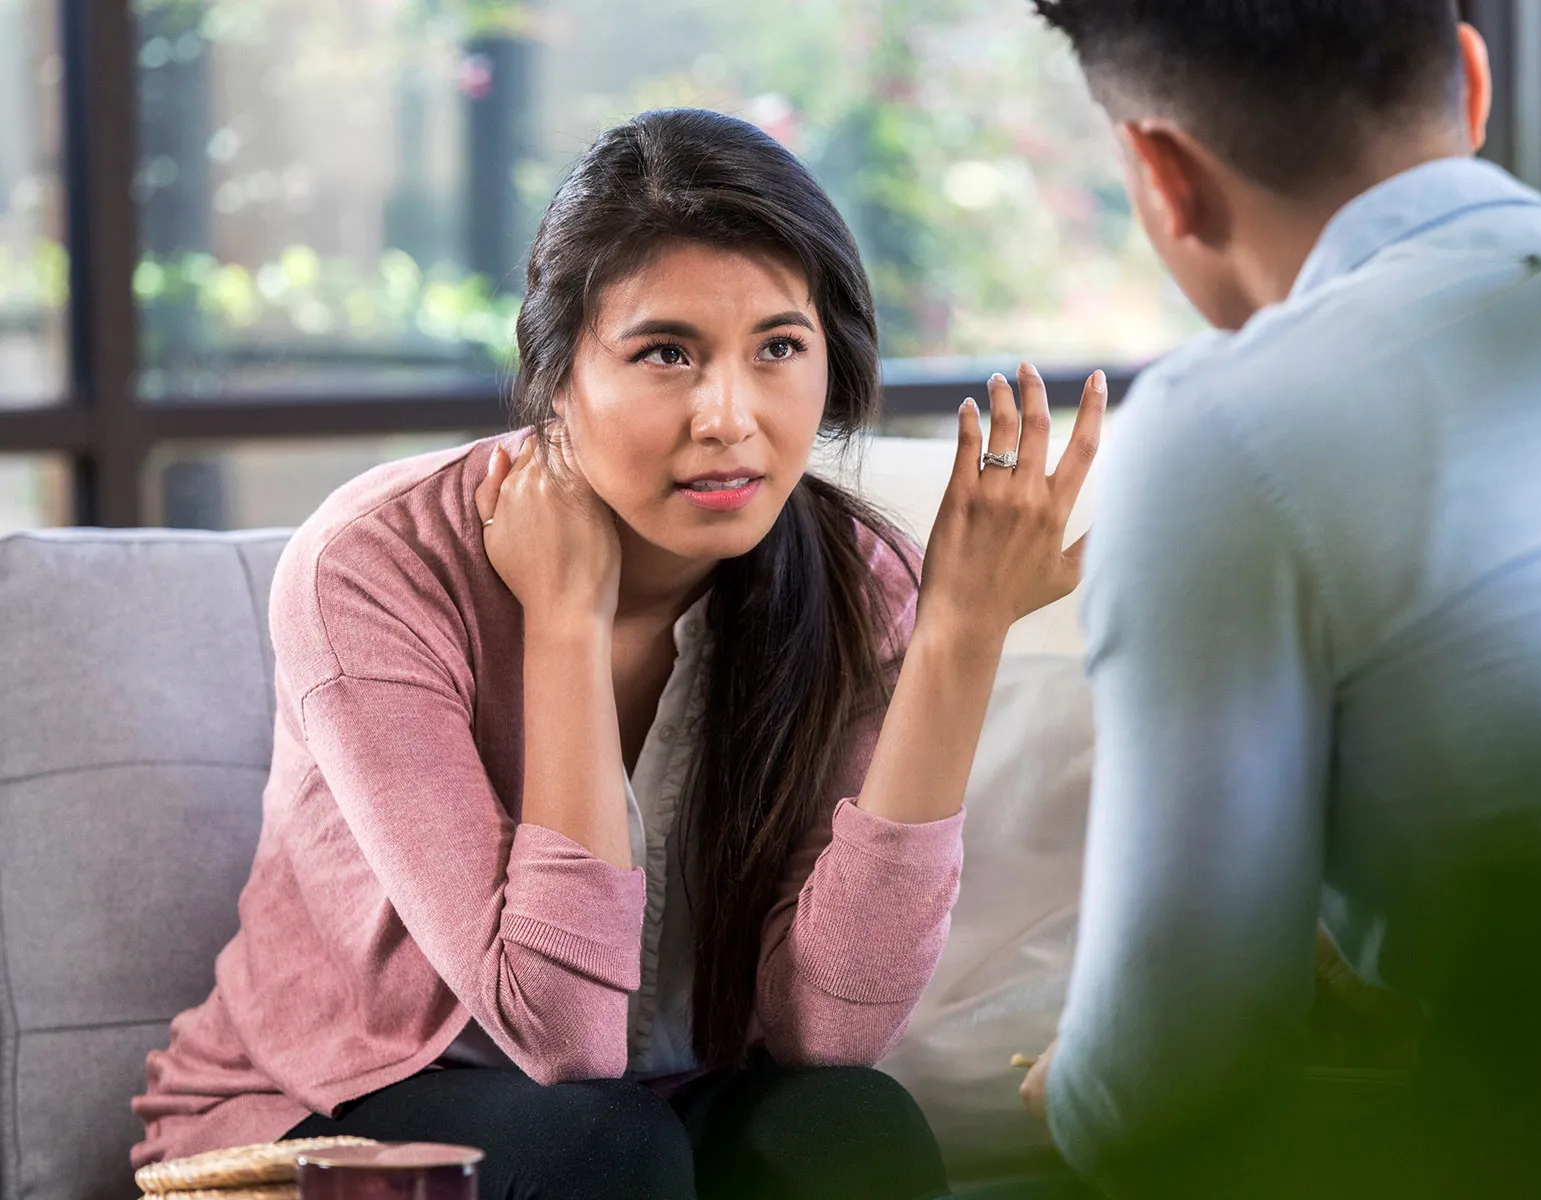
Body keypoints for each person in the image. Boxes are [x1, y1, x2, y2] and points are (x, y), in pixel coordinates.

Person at [132, 108, 1108, 1200]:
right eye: (665, 354)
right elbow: (565, 1043)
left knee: (851, 1126)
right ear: (556, 375)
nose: (729, 417)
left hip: (666, 1098)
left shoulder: (856, 578)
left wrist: (957, 637)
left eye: (778, 348)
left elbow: (831, 1029)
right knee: (597, 1145)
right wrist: (564, 620)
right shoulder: (374, 567)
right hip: (344, 1112)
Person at [1015, 1, 1541, 1195]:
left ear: (1164, 174)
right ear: (1474, 84)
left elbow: (1168, 1096)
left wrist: (1079, 1080)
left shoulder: (1222, 432)